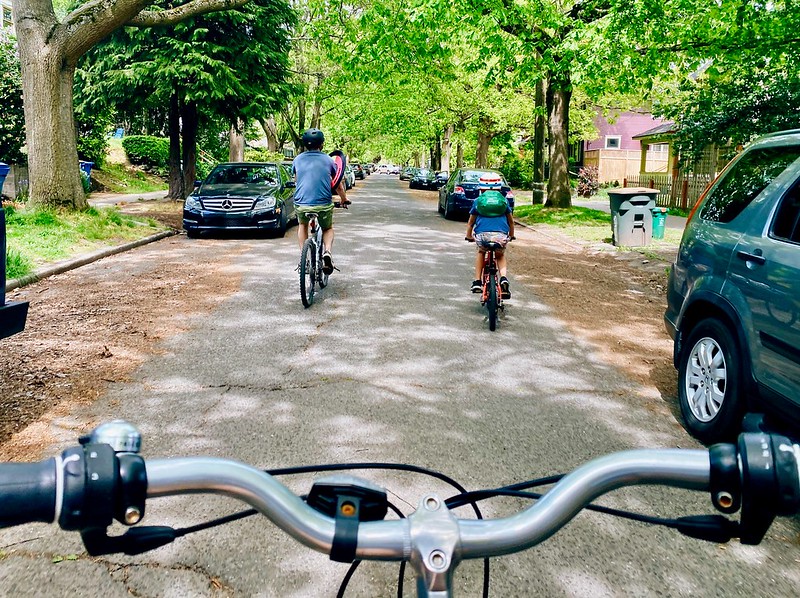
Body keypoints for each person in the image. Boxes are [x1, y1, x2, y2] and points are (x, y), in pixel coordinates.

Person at [291, 128, 349, 275]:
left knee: (302, 224)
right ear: (322, 144)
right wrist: (344, 199)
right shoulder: (328, 160)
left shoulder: (297, 159)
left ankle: (303, 258)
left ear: (304, 144)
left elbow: (297, 180)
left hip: (302, 203)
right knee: (327, 228)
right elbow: (338, 185)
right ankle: (327, 252)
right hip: (323, 204)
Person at [465, 191, 514, 299]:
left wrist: (469, 236)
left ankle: (477, 281)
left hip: (483, 236)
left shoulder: (478, 201)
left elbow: (471, 223)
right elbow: (511, 222)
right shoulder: (503, 201)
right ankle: (503, 278)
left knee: (481, 252)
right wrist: (511, 235)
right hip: (500, 236)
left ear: (481, 189)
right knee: (500, 256)